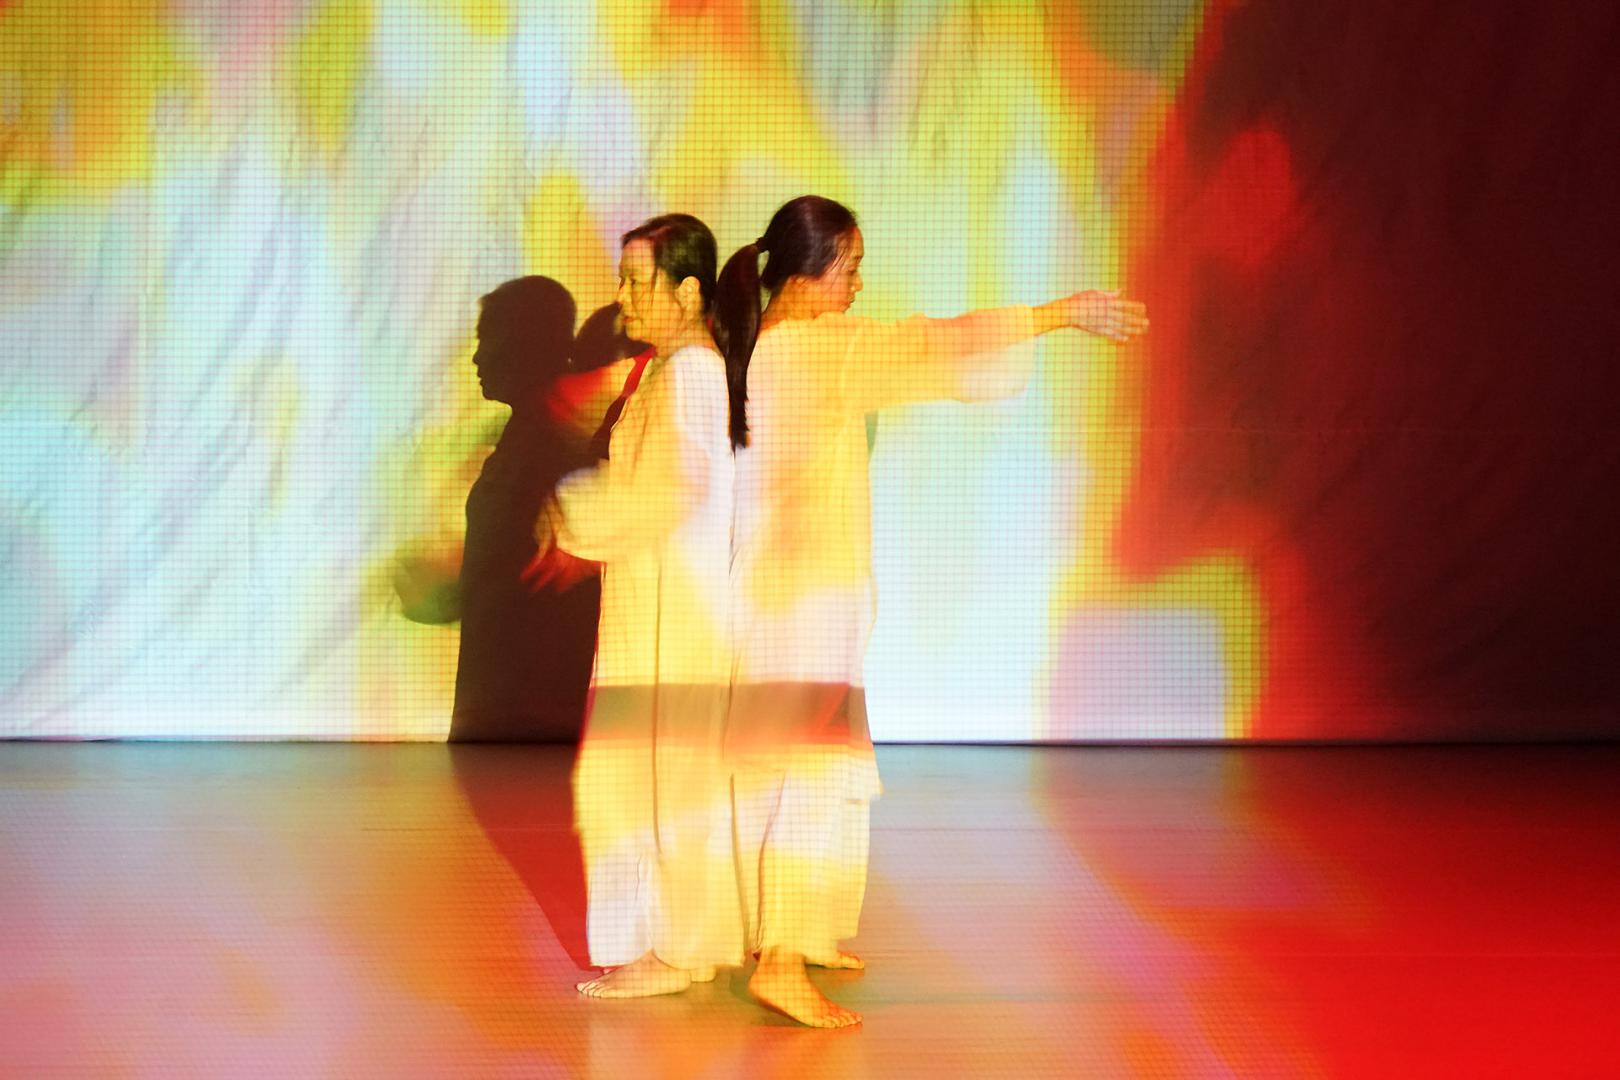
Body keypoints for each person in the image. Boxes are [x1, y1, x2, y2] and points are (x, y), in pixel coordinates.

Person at [712, 195, 1149, 1028]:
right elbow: (938, 342)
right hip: (807, 596)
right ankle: (781, 955)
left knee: (792, 761)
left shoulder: (759, 344)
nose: (858, 284)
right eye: (849, 268)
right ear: (808, 271)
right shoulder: (820, 347)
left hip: (773, 593)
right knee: (811, 768)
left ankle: (792, 932)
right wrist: (1060, 313)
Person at [530, 214, 743, 997]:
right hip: (659, 601)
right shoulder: (672, 370)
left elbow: (671, 489)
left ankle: (673, 950)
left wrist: (570, 513)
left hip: (674, 612)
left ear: (686, 292)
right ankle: (675, 945)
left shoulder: (689, 374)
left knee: (648, 779)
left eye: (634, 280)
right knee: (643, 777)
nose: (621, 296)